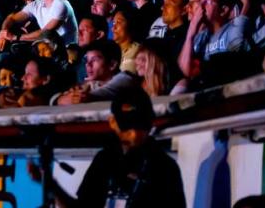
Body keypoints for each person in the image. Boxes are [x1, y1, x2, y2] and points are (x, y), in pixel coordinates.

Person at [39, 88, 186, 208]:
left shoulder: (164, 167)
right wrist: (52, 186)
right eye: (127, 126)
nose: (134, 134)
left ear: (150, 123)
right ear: (113, 122)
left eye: (140, 125)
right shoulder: (105, 160)